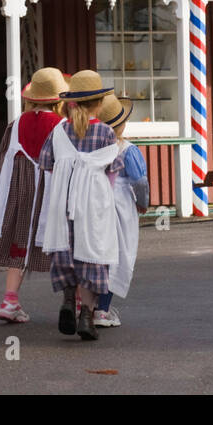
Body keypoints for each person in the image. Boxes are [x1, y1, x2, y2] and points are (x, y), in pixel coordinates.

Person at [37, 69, 122, 341]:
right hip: (93, 205)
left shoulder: (59, 132)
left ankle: (67, 300)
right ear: (99, 103)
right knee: (92, 254)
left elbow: (46, 165)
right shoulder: (106, 133)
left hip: (63, 202)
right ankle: (86, 313)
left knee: (68, 251)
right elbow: (113, 171)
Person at [0, 67, 67, 324]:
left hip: (22, 191)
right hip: (52, 192)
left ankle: (10, 300)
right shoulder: (64, 127)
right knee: (64, 245)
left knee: (20, 241)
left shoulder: (16, 124)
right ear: (59, 99)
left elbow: (5, 154)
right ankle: (74, 302)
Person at [93, 94, 150, 328]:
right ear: (122, 124)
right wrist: (144, 203)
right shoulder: (127, 150)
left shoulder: (92, 147)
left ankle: (85, 306)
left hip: (93, 202)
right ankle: (102, 310)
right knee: (118, 256)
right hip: (119, 205)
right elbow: (140, 182)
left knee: (95, 254)